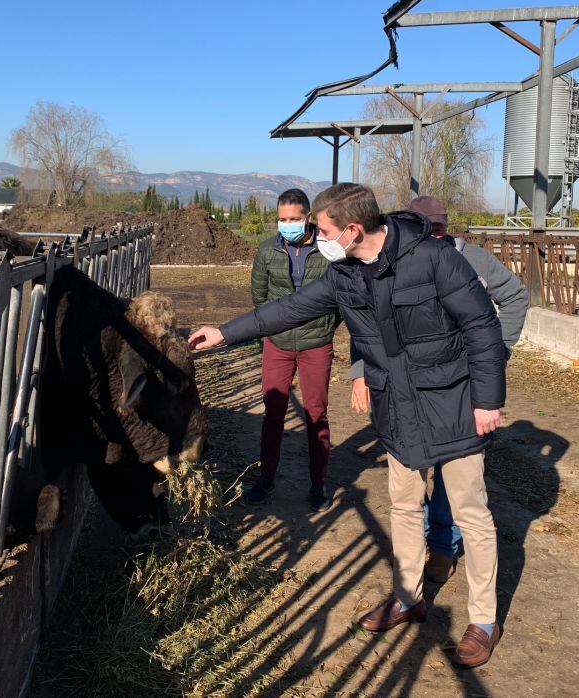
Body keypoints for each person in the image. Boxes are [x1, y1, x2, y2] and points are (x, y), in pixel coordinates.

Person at [188, 183, 507, 668]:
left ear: (353, 229)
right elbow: (290, 308)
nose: (316, 237)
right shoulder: (344, 273)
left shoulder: (435, 258)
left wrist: (487, 399)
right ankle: (408, 596)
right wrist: (226, 332)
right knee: (403, 504)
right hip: (396, 405)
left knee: (470, 512)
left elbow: (482, 326)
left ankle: (483, 620)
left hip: (453, 401)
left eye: (323, 229)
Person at [350, 195, 528, 584]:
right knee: (412, 474)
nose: (430, 238)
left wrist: (499, 351)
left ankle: (444, 546)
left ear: (446, 229)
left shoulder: (470, 259)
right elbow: (367, 321)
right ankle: (421, 562)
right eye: (423, 231)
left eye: (438, 231)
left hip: (460, 384)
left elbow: (514, 296)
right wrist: (360, 370)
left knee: (456, 473)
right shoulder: (388, 262)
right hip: (409, 386)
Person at [246, 188, 336, 512]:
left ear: (308, 218)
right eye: (282, 219)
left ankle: (318, 483)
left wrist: (324, 327)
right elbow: (259, 297)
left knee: (316, 413)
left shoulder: (328, 251)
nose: (287, 225)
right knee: (273, 412)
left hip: (316, 344)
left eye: (294, 219)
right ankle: (266, 478)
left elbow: (339, 298)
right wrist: (274, 328)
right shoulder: (267, 251)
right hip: (278, 344)